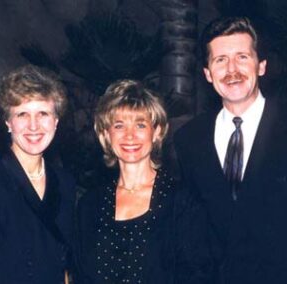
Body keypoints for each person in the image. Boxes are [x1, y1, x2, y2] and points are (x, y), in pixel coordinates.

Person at [174, 16, 287, 284]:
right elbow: (192, 231)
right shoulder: (189, 139)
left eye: (242, 57)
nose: (232, 69)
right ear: (207, 73)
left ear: (261, 66)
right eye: (221, 60)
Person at [74, 79, 212, 283]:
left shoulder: (182, 202)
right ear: (106, 134)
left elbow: (199, 277)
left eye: (140, 124)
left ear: (156, 132)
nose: (130, 136)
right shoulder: (89, 205)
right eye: (119, 125)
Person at [0, 64, 76, 284]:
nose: (33, 126)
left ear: (56, 121)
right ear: (8, 122)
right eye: (22, 114)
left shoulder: (65, 182)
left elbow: (62, 266)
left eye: (43, 113)